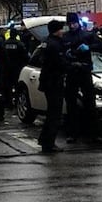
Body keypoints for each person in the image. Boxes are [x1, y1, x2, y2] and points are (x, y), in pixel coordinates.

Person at [62, 12, 102, 143]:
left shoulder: (87, 35)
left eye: (74, 23)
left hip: (84, 71)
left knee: (90, 103)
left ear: (77, 22)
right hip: (72, 71)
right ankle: (73, 133)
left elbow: (101, 46)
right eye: (70, 23)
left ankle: (94, 133)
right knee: (71, 104)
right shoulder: (65, 37)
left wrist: (88, 48)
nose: (72, 25)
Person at [38, 20, 68, 153]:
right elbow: (60, 63)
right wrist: (73, 65)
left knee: (51, 112)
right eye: (62, 29)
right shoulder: (55, 44)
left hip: (46, 80)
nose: (63, 31)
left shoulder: (45, 41)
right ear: (57, 30)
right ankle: (49, 143)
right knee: (54, 114)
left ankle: (44, 139)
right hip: (54, 81)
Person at [4, 27, 29, 107]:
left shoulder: (5, 44)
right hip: (18, 68)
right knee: (17, 86)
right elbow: (25, 57)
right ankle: (17, 102)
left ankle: (9, 102)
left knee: (8, 86)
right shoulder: (20, 44)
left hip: (7, 68)